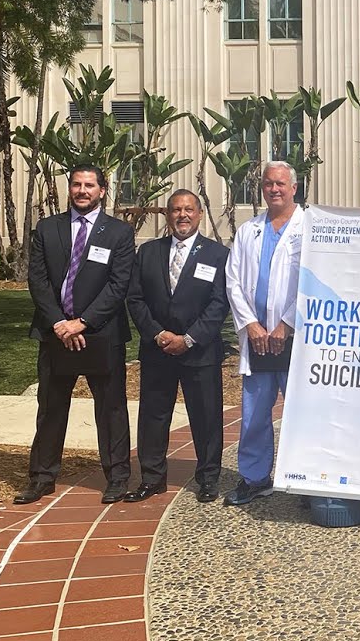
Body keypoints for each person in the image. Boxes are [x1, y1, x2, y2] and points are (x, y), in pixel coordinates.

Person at [17, 164, 136, 505]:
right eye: (76, 185)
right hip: (55, 333)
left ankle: (117, 476)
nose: (82, 191)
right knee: (51, 407)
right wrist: (59, 323)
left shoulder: (118, 233)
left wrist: (82, 322)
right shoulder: (47, 228)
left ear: (102, 190)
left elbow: (118, 285)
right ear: (70, 189)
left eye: (89, 185)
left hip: (101, 332)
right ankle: (42, 477)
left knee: (111, 410)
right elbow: (37, 281)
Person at [124, 190, 230, 504]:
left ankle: (209, 478)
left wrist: (188, 338)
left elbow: (219, 303)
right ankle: (152, 478)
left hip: (199, 351)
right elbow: (135, 298)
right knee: (153, 416)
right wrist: (157, 334)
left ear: (198, 214)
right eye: (175, 210)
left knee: (207, 417)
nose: (182, 215)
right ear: (167, 215)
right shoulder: (148, 252)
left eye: (188, 209)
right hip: (158, 350)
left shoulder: (217, 254)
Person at [224, 162, 303, 506]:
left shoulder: (310, 228)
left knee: (301, 411)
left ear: (294, 188)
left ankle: (304, 479)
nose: (274, 189)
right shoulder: (248, 230)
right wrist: (250, 324)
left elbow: (313, 282)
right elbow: (233, 281)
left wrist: (287, 323)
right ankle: (254, 477)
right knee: (255, 411)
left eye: (281, 184)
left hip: (295, 337)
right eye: (269, 184)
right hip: (257, 338)